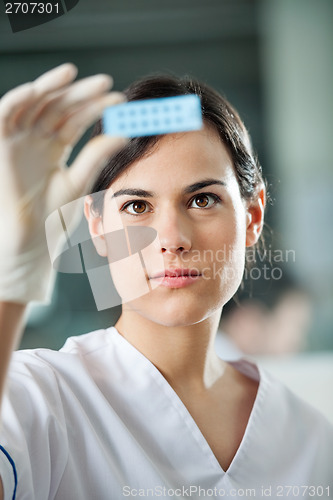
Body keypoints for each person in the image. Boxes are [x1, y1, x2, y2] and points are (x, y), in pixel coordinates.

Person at [0, 64, 332, 500]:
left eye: (202, 199)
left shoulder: (310, 438)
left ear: (252, 217)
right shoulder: (36, 398)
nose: (172, 240)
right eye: (137, 207)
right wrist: (11, 281)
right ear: (97, 228)